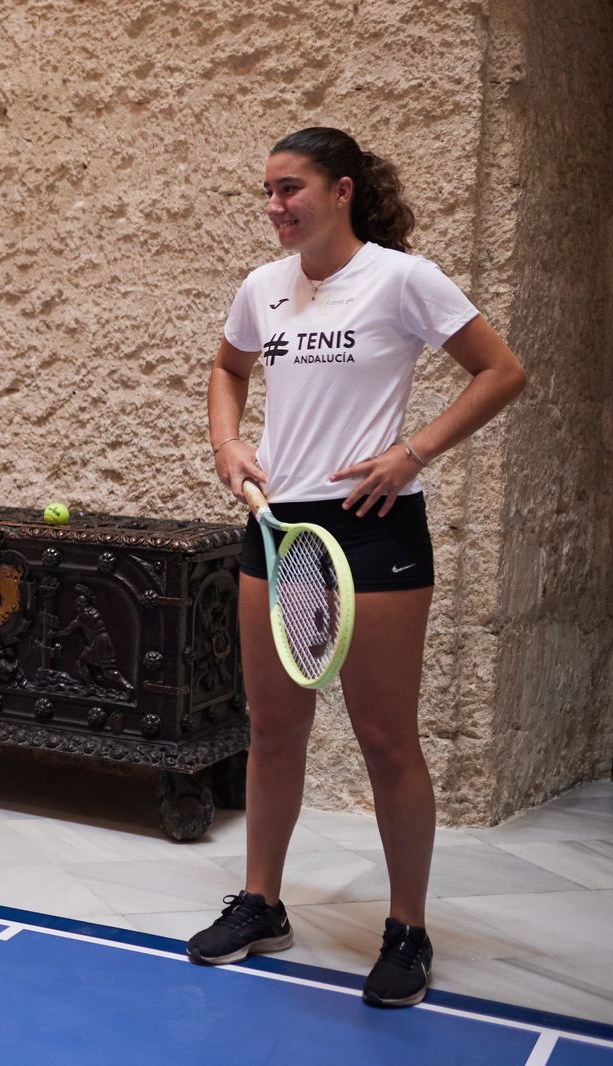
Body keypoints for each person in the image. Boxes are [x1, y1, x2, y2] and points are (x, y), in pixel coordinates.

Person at [192, 127, 526, 1007]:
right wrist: (228, 445)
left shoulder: (403, 278)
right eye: (268, 191)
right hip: (278, 530)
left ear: (342, 191)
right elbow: (227, 368)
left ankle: (408, 930)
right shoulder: (262, 288)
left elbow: (501, 372)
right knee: (273, 730)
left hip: (375, 529)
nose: (276, 206)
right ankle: (262, 903)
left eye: (291, 188)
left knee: (385, 739)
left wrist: (412, 452)